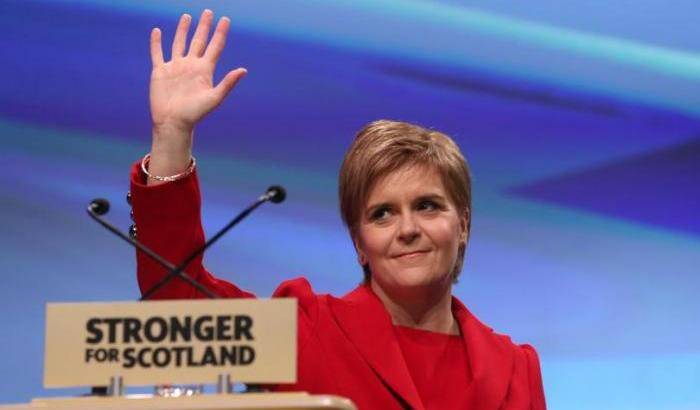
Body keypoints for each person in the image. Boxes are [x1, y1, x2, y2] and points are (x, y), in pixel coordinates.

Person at [130, 10, 546, 410]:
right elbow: (178, 305)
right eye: (382, 214)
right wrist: (172, 135)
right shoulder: (306, 332)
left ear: (463, 225)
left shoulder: (515, 369)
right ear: (359, 243)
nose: (407, 229)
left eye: (427, 206)